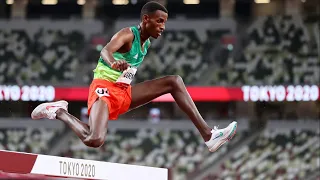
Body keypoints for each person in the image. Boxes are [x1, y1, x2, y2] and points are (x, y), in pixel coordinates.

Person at [31, 1, 237, 152]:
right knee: (95, 139)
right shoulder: (128, 34)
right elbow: (105, 50)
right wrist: (113, 62)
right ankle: (59, 111)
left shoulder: (146, 43)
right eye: (159, 21)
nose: (163, 27)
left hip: (123, 92)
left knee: (174, 82)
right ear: (145, 19)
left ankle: (209, 136)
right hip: (104, 88)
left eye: (164, 22)